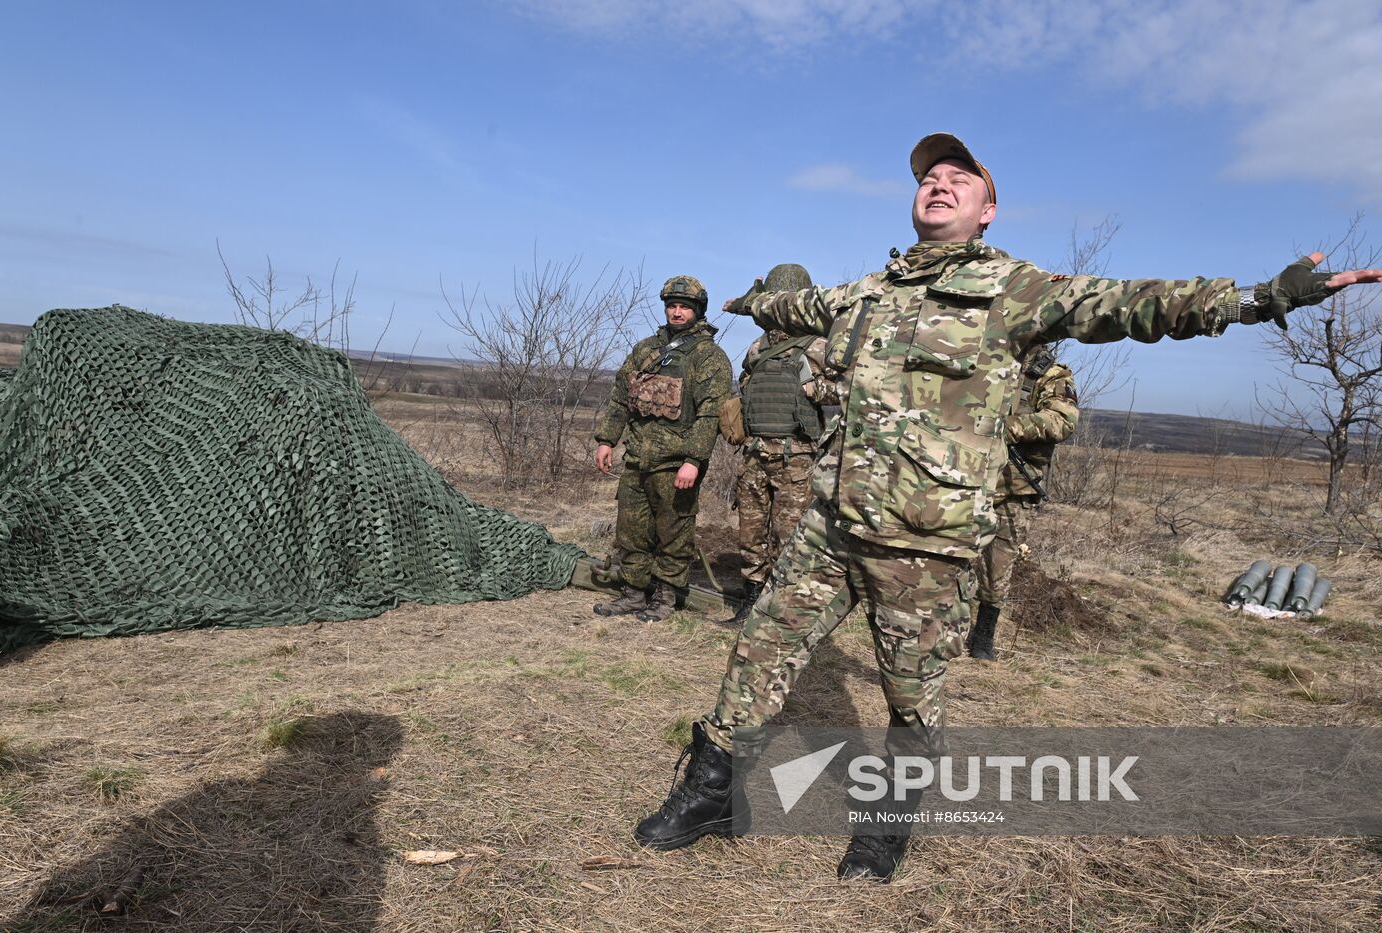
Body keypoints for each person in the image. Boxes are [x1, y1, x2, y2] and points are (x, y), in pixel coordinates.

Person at [630, 132, 1382, 881]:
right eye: (930, 175)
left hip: (925, 541)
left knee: (910, 697)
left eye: (961, 177)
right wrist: (748, 299)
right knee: (758, 648)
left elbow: (1135, 304)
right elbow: (799, 304)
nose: (940, 183)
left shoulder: (1015, 289)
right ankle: (711, 793)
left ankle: (886, 826)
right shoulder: (866, 292)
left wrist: (1262, 299)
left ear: (988, 209)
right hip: (831, 525)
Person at [592, 276, 733, 623]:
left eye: (684, 306)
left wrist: (693, 461)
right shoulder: (645, 350)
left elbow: (710, 413)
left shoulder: (708, 357)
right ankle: (634, 594)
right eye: (672, 305)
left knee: (674, 534)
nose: (677, 312)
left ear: (697, 311)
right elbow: (620, 397)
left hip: (675, 464)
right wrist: (607, 440)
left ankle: (665, 598)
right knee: (632, 530)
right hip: (638, 459)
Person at [731, 263, 842, 624]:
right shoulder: (757, 347)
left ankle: (775, 612)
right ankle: (749, 602)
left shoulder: (819, 347)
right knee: (750, 533)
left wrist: (817, 389)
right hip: (755, 454)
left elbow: (850, 390)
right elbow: (747, 386)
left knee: (788, 537)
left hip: (796, 458)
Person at [966, 346, 1079, 660]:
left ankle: (983, 638)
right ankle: (945, 629)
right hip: (965, 477)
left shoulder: (1049, 373)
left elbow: (1063, 420)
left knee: (997, 566)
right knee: (950, 555)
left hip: (1012, 485)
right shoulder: (980, 357)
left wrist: (1007, 427)